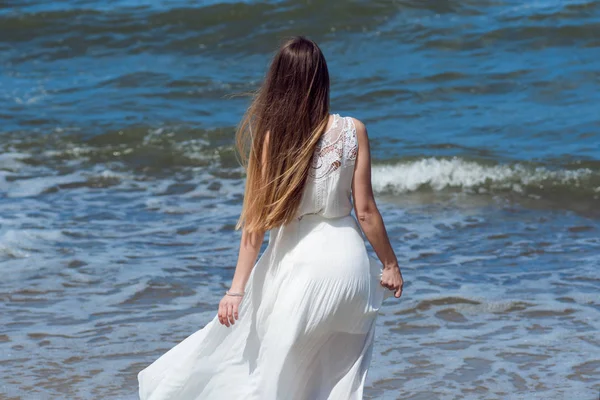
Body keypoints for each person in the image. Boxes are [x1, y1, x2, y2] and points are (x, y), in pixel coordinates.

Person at [138, 36, 404, 400]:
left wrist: (235, 291)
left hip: (299, 268)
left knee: (270, 376)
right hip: (349, 270)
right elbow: (366, 211)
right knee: (339, 381)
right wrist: (389, 264)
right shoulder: (353, 131)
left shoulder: (270, 140)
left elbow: (255, 226)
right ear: (322, 79)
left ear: (278, 81)